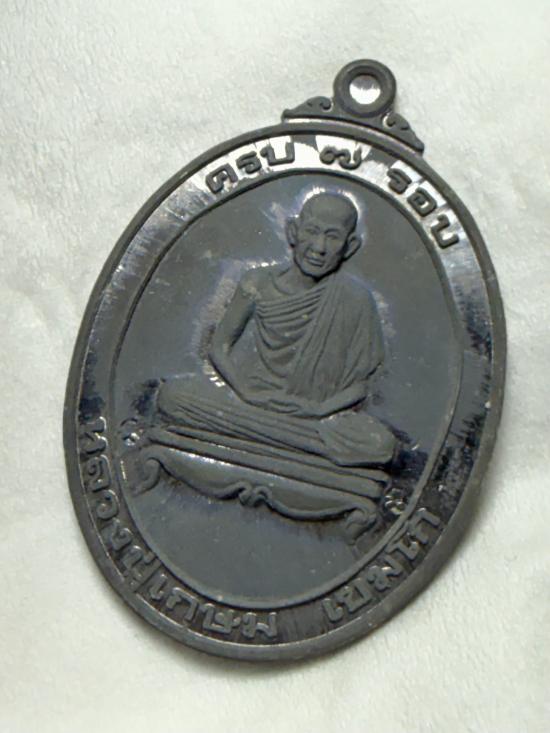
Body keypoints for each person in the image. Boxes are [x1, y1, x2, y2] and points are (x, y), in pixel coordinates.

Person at [157, 192, 396, 470]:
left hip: (312, 417)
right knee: (173, 396)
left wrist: (318, 410)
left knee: (379, 444)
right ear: (293, 232)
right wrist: (246, 392)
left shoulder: (355, 299)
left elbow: (360, 384)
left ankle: (268, 438)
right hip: (250, 402)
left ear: (350, 246)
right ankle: (296, 446)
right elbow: (219, 348)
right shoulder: (257, 282)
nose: (319, 247)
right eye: (312, 231)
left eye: (332, 237)